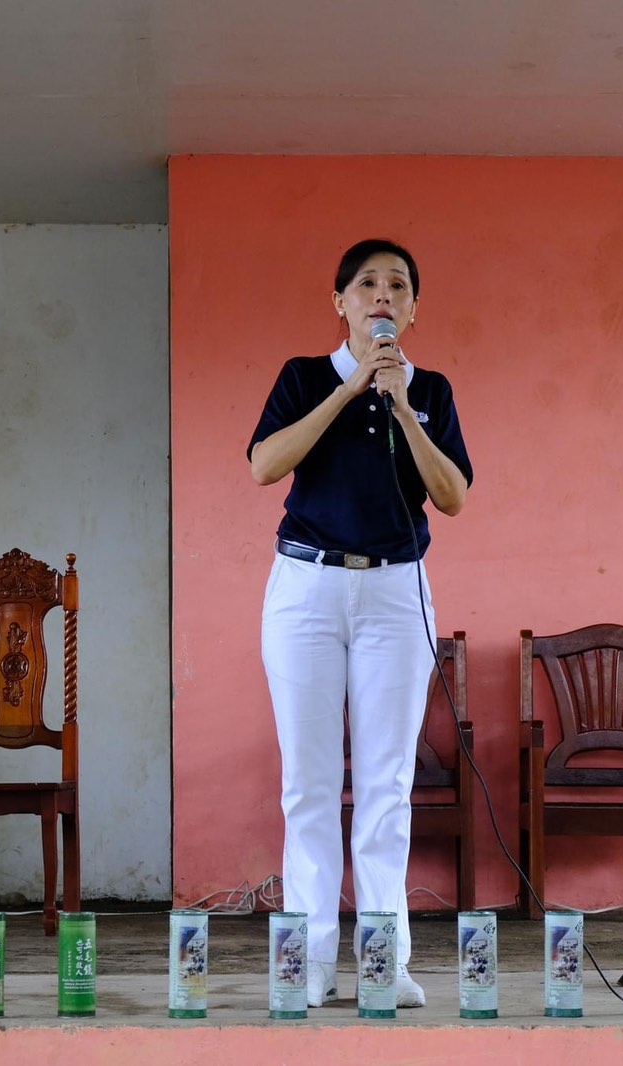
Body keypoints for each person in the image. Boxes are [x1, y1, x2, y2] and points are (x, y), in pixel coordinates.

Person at [248, 238, 473, 1008]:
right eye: (368, 284)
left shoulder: (432, 390)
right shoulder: (304, 378)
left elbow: (452, 495)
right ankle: (310, 961)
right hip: (307, 588)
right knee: (308, 784)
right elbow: (265, 465)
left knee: (386, 782)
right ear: (339, 301)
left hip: (394, 594)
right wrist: (350, 394)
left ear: (413, 309)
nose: (383, 296)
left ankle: (384, 959)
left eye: (399, 286)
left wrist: (402, 407)